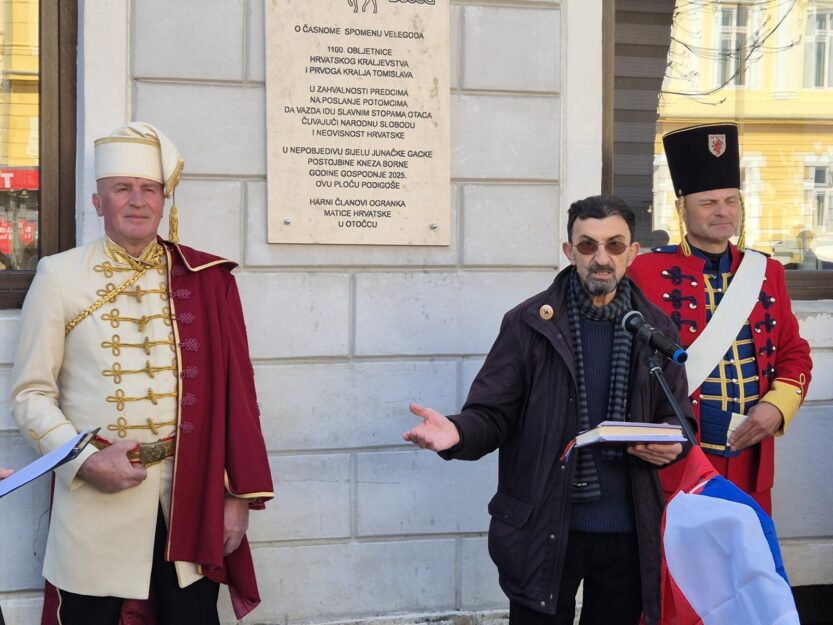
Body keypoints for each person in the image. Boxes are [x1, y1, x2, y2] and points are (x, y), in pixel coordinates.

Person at [8, 123, 273, 625]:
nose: (136, 200)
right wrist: (84, 460)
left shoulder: (203, 279)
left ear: (163, 199)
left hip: (189, 499)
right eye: (121, 188)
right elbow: (31, 395)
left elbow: (237, 398)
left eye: (148, 189)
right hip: (95, 503)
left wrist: (236, 499)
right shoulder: (59, 274)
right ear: (97, 201)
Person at [403, 195, 694, 625]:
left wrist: (671, 443)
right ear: (568, 251)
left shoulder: (654, 329)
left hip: (628, 531)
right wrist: (458, 434)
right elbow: (492, 413)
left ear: (632, 253)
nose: (601, 258)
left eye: (614, 246)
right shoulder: (529, 324)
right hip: (545, 526)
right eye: (587, 245)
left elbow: (678, 417)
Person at [629, 123, 813, 514]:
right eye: (708, 202)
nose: (723, 211)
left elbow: (794, 352)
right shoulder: (644, 271)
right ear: (682, 209)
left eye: (731, 200)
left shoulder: (767, 272)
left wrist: (777, 408)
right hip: (678, 456)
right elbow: (619, 362)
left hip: (750, 454)